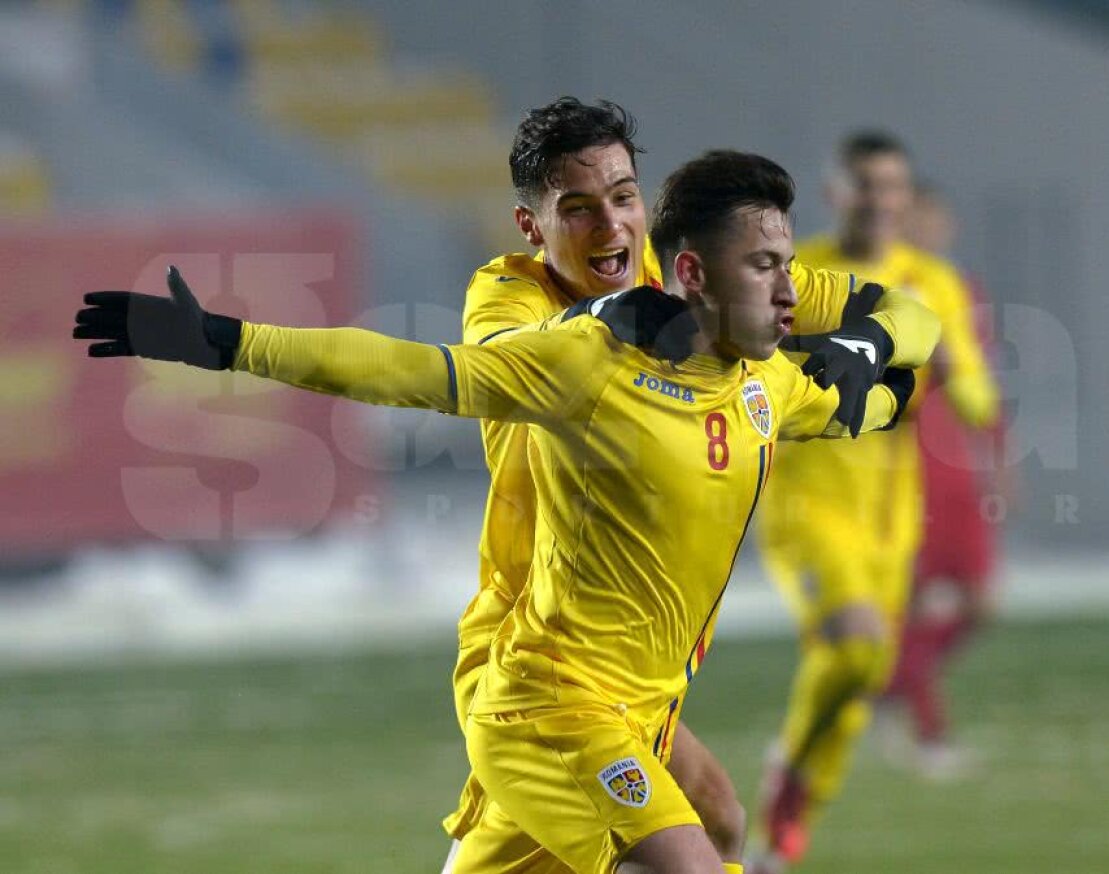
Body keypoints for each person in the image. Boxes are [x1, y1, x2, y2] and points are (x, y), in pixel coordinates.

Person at [74, 149, 936, 873]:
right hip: (550, 702)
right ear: (690, 273)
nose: (790, 291)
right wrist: (229, 341)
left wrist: (869, 346)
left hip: (643, 708)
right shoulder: (583, 360)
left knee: (719, 821)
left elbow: (909, 338)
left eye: (787, 266)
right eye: (765, 267)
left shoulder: (767, 383)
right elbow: (405, 371)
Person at [446, 98, 942, 873]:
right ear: (531, 226)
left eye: (622, 196)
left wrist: (869, 341)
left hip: (634, 663)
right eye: (577, 209)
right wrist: (615, 315)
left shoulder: (688, 277)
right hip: (534, 646)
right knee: (681, 842)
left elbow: (914, 314)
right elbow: (508, 361)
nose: (610, 225)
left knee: (712, 819)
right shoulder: (510, 294)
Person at [750, 132, 998, 870]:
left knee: (852, 692)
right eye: (864, 185)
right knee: (857, 647)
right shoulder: (800, 275)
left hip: (893, 521)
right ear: (836, 193)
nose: (879, 200)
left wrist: (952, 370)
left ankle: (781, 832)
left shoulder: (933, 282)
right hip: (808, 505)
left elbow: (980, 398)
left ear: (905, 197)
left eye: (891, 187)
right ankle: (788, 785)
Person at [880, 183, 1007, 778]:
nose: (925, 231)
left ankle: (890, 687)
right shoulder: (878, 294)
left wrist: (997, 453)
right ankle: (930, 735)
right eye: (913, 222)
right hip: (902, 470)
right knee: (909, 604)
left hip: (957, 469)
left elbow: (978, 384)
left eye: (932, 220)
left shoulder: (961, 293)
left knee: (982, 602)